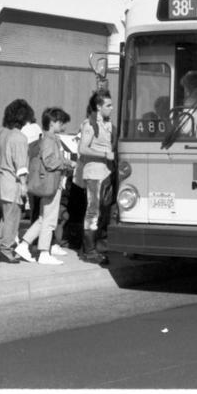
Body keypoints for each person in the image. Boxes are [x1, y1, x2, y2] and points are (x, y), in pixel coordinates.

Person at [17, 107, 74, 265]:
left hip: (50, 183)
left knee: (43, 218)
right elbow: (49, 162)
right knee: (49, 220)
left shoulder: (49, 138)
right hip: (51, 183)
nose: (63, 125)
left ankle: (24, 245)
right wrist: (67, 165)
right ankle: (43, 253)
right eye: (61, 122)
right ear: (53, 122)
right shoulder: (49, 140)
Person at [0, 99, 36, 263]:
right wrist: (23, 185)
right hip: (12, 181)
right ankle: (6, 250)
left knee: (6, 216)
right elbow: (21, 165)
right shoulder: (20, 138)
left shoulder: (2, 133)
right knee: (14, 217)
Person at [77, 90, 114, 264]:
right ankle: (89, 250)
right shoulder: (90, 124)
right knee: (93, 211)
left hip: (105, 174)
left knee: (103, 211)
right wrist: (104, 154)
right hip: (94, 174)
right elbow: (82, 149)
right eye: (108, 105)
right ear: (99, 107)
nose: (111, 108)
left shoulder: (107, 124)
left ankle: (98, 245)